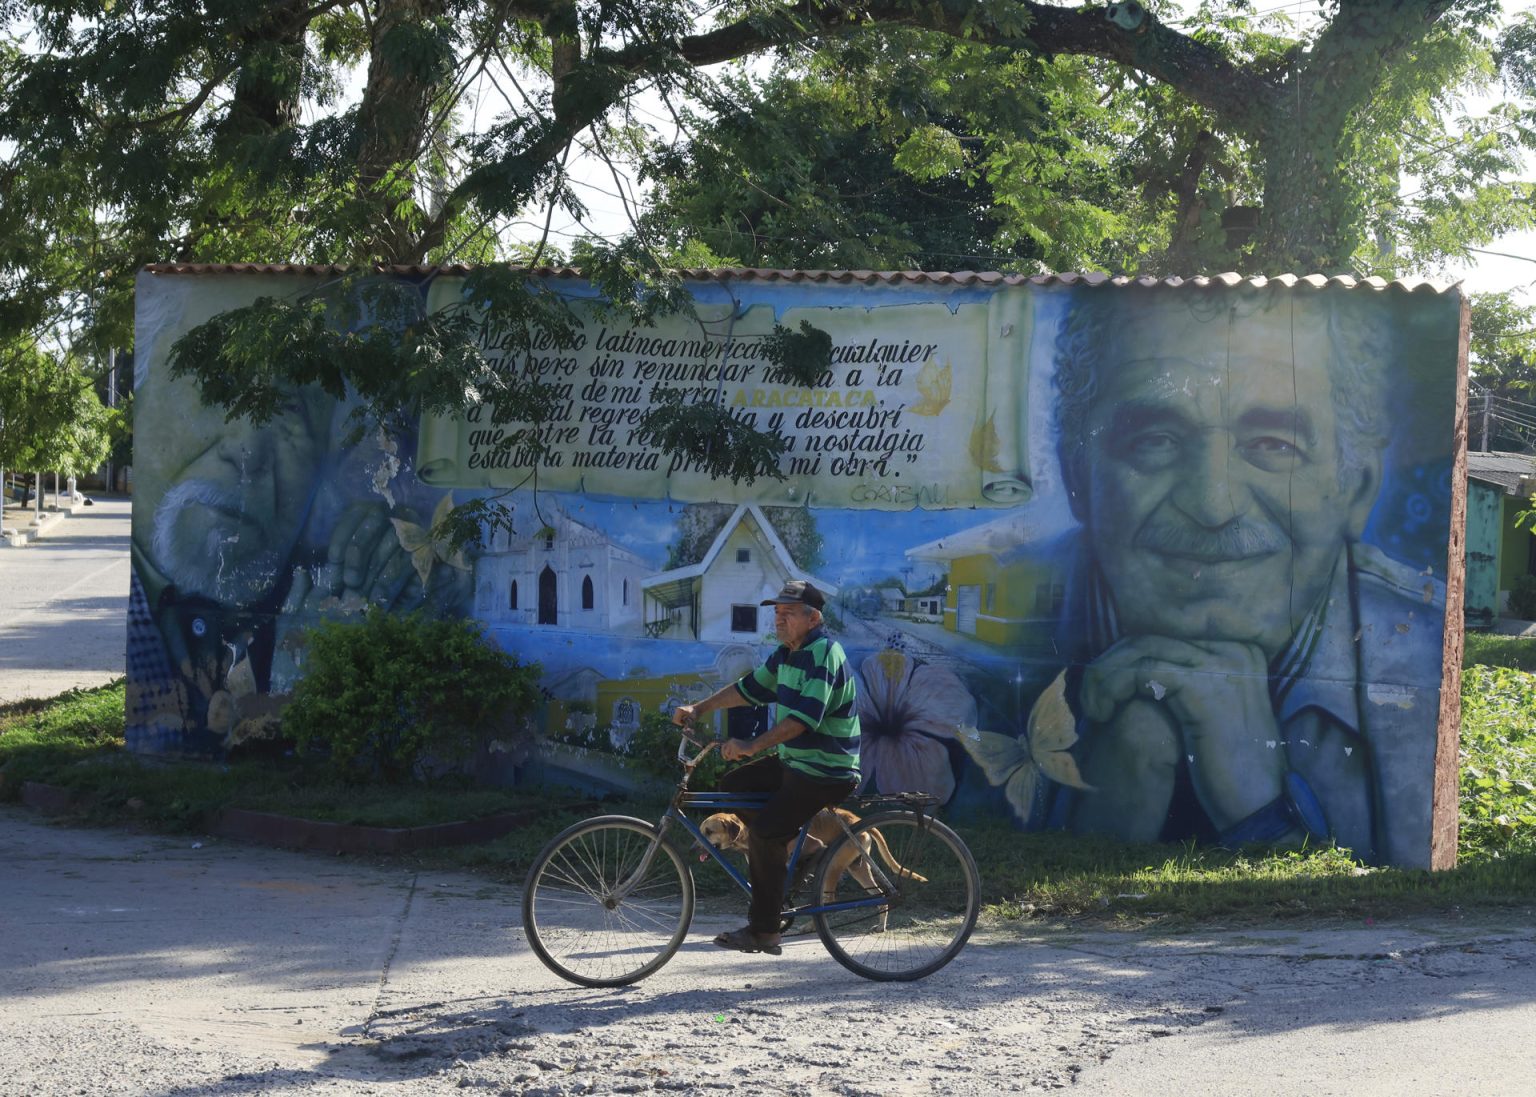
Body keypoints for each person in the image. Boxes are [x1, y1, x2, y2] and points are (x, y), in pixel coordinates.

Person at [1049, 286, 1445, 867]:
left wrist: (1262, 814)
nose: (1214, 505)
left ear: (1355, 489)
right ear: (1078, 478)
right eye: (1155, 441)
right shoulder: (965, 635)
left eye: (1273, 444)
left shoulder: (1425, 655)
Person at [672, 580, 861, 954]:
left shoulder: (824, 652)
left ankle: (765, 931)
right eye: (776, 613)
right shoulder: (786, 654)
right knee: (736, 784)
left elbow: (804, 720)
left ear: (813, 618)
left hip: (826, 769)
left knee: (764, 834)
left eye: (788, 614)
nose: (779, 621)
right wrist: (700, 708)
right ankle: (800, 849)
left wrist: (751, 745)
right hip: (798, 761)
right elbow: (749, 689)